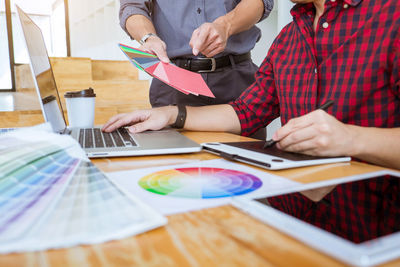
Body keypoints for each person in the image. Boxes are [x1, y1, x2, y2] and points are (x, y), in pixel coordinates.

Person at [105, 0, 400, 240]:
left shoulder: (391, 18)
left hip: (371, 226)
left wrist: (351, 139)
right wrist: (172, 114)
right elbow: (245, 112)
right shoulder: (289, 38)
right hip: (289, 225)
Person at [119, 0, 274, 107]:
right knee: (172, 154)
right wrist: (148, 37)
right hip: (173, 83)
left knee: (246, 153)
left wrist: (225, 25)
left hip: (237, 81)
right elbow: (132, 5)